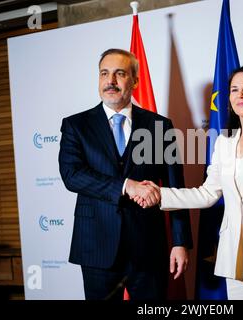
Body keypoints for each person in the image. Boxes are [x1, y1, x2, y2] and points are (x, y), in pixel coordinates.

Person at [134, 65, 243, 300]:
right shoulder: (223, 144)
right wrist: (158, 194)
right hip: (233, 258)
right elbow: (207, 194)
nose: (240, 95)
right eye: (234, 90)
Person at [58, 48, 192, 300]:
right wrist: (126, 185)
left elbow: (177, 189)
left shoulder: (160, 126)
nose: (110, 81)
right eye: (104, 73)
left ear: (135, 81)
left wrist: (180, 241)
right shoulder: (76, 125)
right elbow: (72, 174)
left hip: (148, 247)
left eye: (119, 73)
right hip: (96, 247)